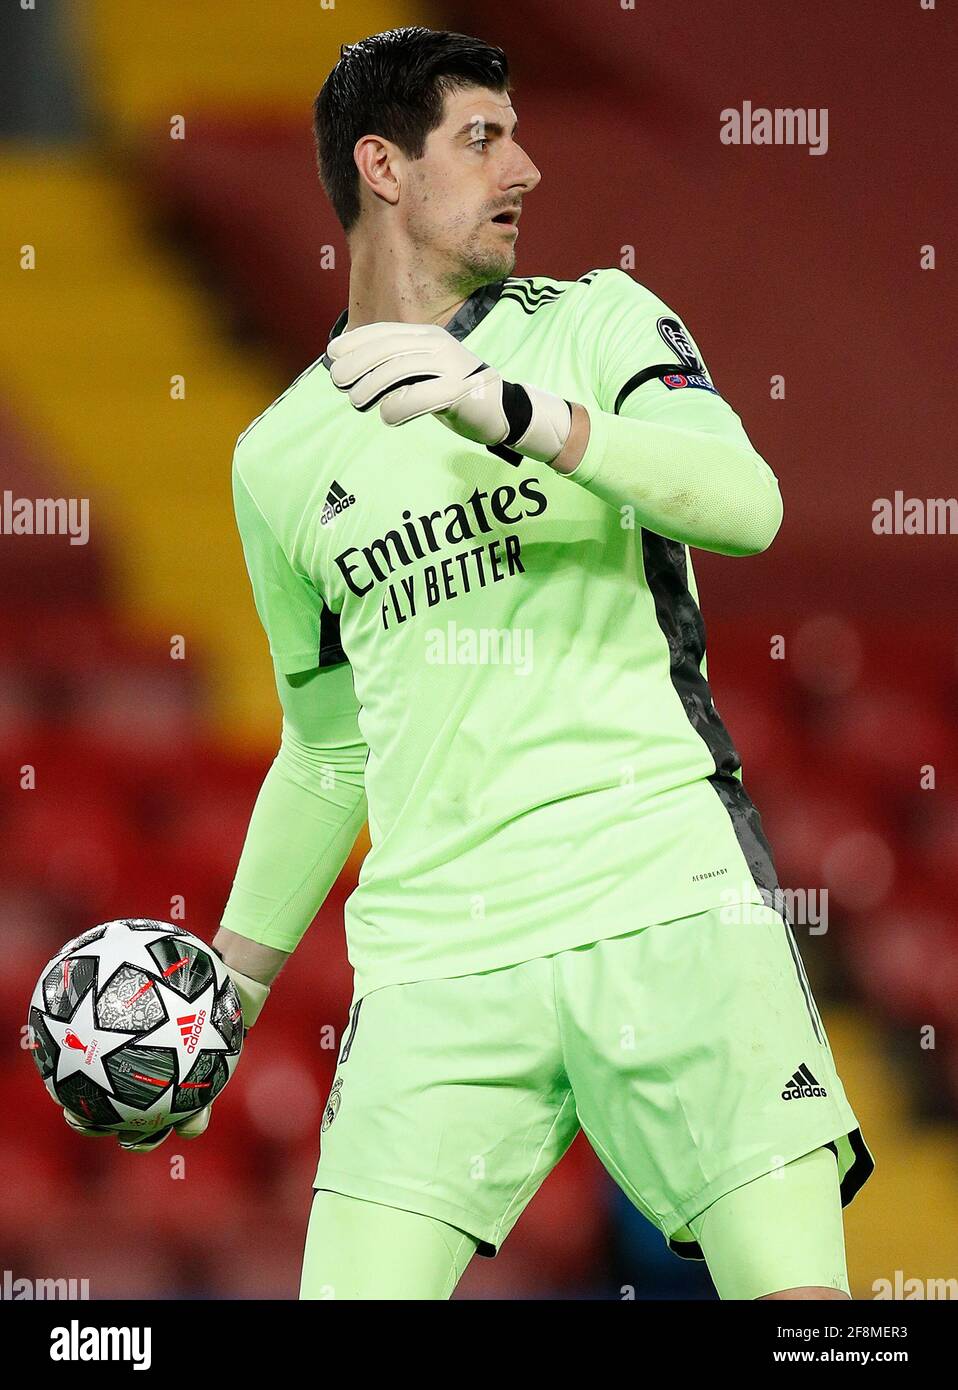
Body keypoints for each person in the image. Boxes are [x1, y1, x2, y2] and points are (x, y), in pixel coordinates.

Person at [212, 26, 874, 1300]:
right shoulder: (279, 458)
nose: (527, 166)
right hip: (436, 953)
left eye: (517, 133)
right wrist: (233, 988)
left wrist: (517, 413)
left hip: (663, 895)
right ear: (383, 167)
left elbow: (745, 503)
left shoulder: (599, 323)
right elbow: (330, 745)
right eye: (484, 137)